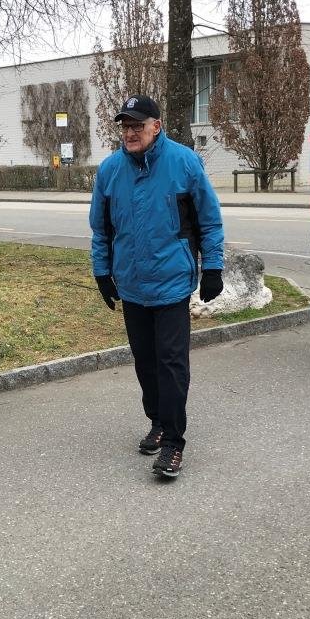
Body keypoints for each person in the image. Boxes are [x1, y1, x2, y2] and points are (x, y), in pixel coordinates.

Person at [89, 95, 225, 479]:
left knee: (171, 364)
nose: (130, 133)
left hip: (172, 282)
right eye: (125, 126)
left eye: (138, 125)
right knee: (145, 363)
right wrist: (102, 272)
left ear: (156, 126)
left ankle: (173, 444)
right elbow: (101, 229)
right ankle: (159, 422)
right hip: (132, 283)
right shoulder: (110, 170)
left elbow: (209, 220)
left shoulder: (184, 162)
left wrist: (213, 267)